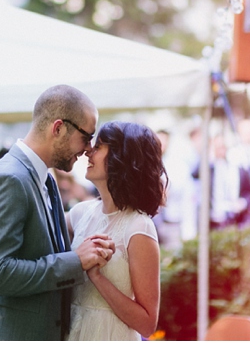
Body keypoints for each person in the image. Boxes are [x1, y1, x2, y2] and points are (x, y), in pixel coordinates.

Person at [0, 84, 115, 341]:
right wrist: (75, 262)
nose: (88, 149)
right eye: (86, 136)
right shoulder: (8, 179)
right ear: (58, 128)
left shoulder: (46, 180)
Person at [66, 121, 165, 341]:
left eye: (99, 146)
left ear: (122, 158)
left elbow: (147, 324)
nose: (88, 152)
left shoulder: (139, 227)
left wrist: (97, 277)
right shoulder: (80, 213)